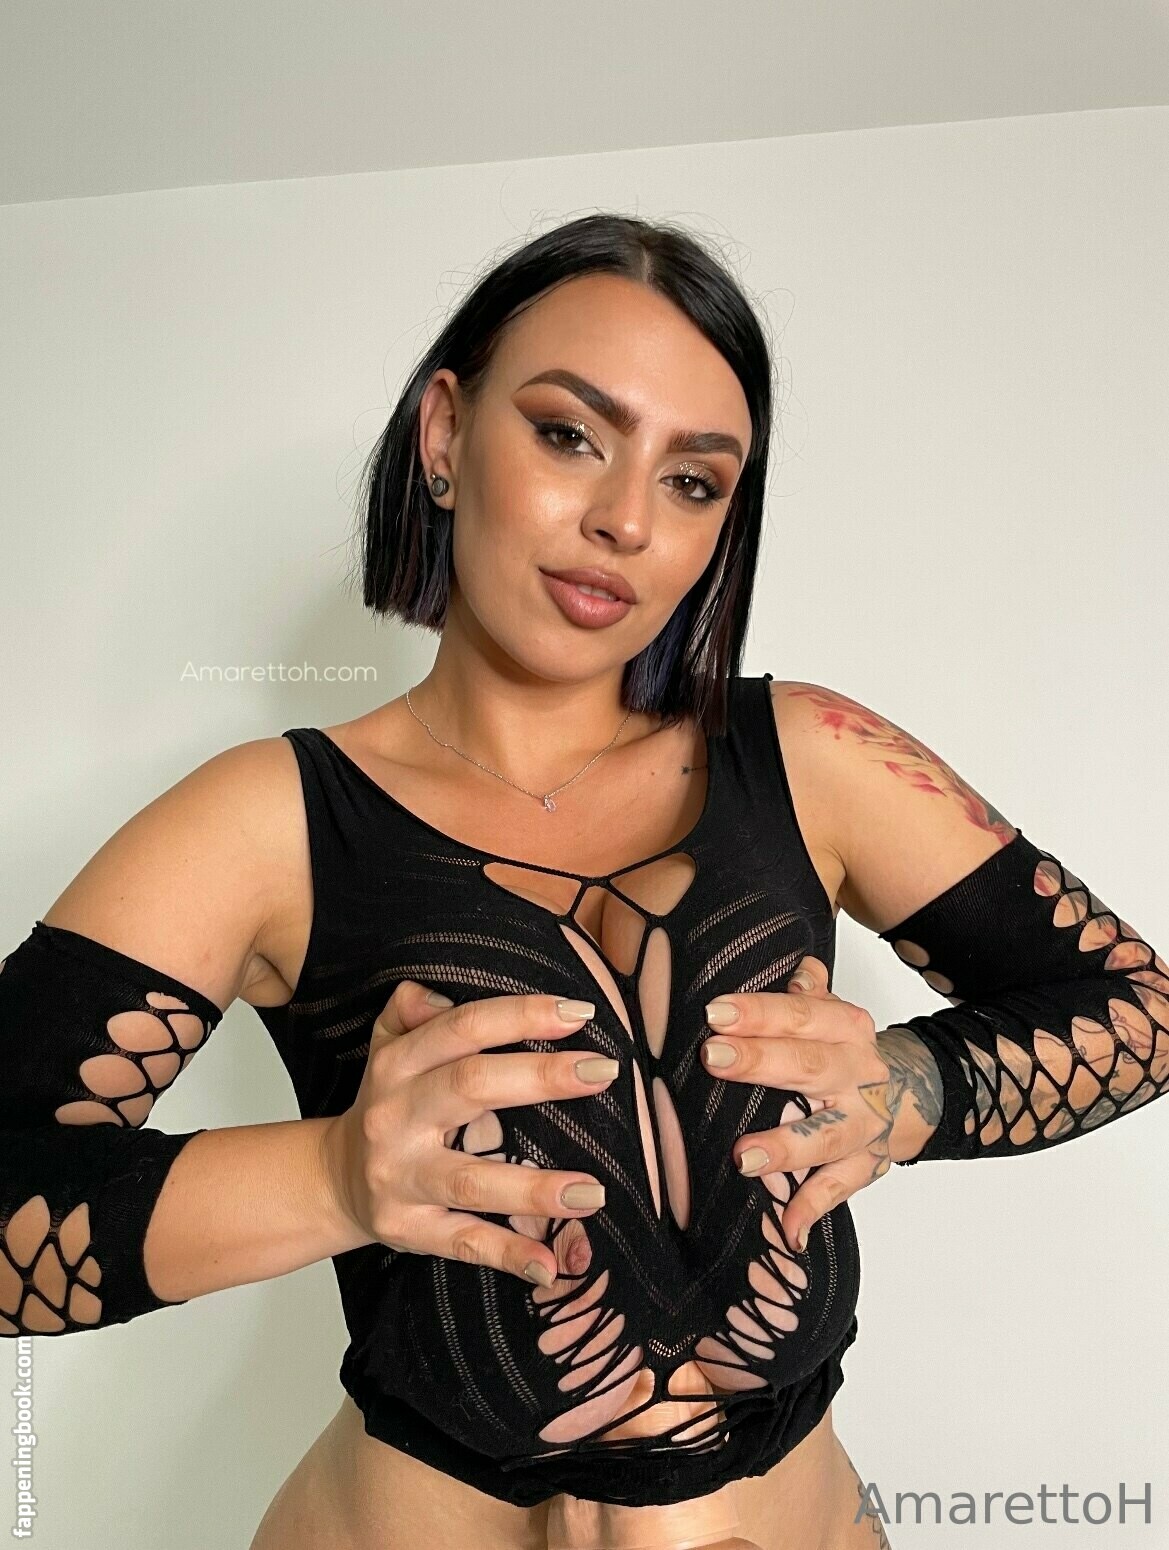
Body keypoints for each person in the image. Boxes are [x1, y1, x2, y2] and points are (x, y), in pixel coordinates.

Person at [2, 214, 1164, 1550]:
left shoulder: (811, 756)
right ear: (445, 435)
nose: (624, 520)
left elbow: (1139, 1008)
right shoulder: (270, 821)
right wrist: (331, 1175)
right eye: (569, 434)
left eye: (694, 480)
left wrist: (913, 1086)